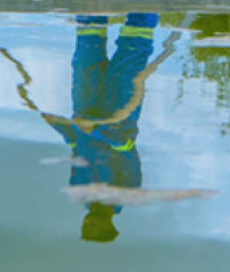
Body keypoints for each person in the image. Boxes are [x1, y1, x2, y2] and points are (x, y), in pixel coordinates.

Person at [44, 13, 156, 242]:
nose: (89, 221)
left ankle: (91, 6)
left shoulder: (80, 191)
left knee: (86, 55)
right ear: (108, 225)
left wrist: (60, 126)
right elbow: (125, 147)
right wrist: (96, 128)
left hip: (84, 109)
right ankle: (145, 2)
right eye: (95, 226)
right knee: (132, 54)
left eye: (87, 226)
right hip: (118, 115)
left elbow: (78, 148)